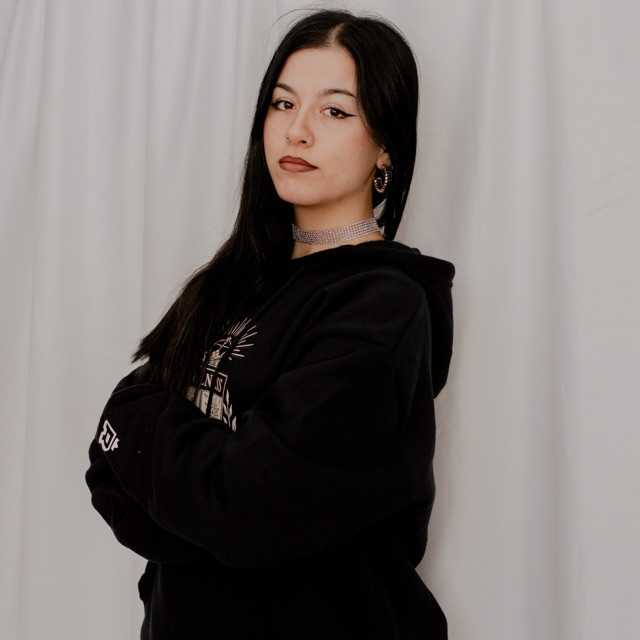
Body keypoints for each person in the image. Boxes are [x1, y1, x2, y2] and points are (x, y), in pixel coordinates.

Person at [84, 8, 455, 639]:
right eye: (283, 104)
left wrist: (169, 465)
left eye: (335, 111)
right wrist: (210, 517)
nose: (297, 131)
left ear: (385, 146)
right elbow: (107, 466)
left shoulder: (383, 306)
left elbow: (248, 507)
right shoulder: (234, 279)